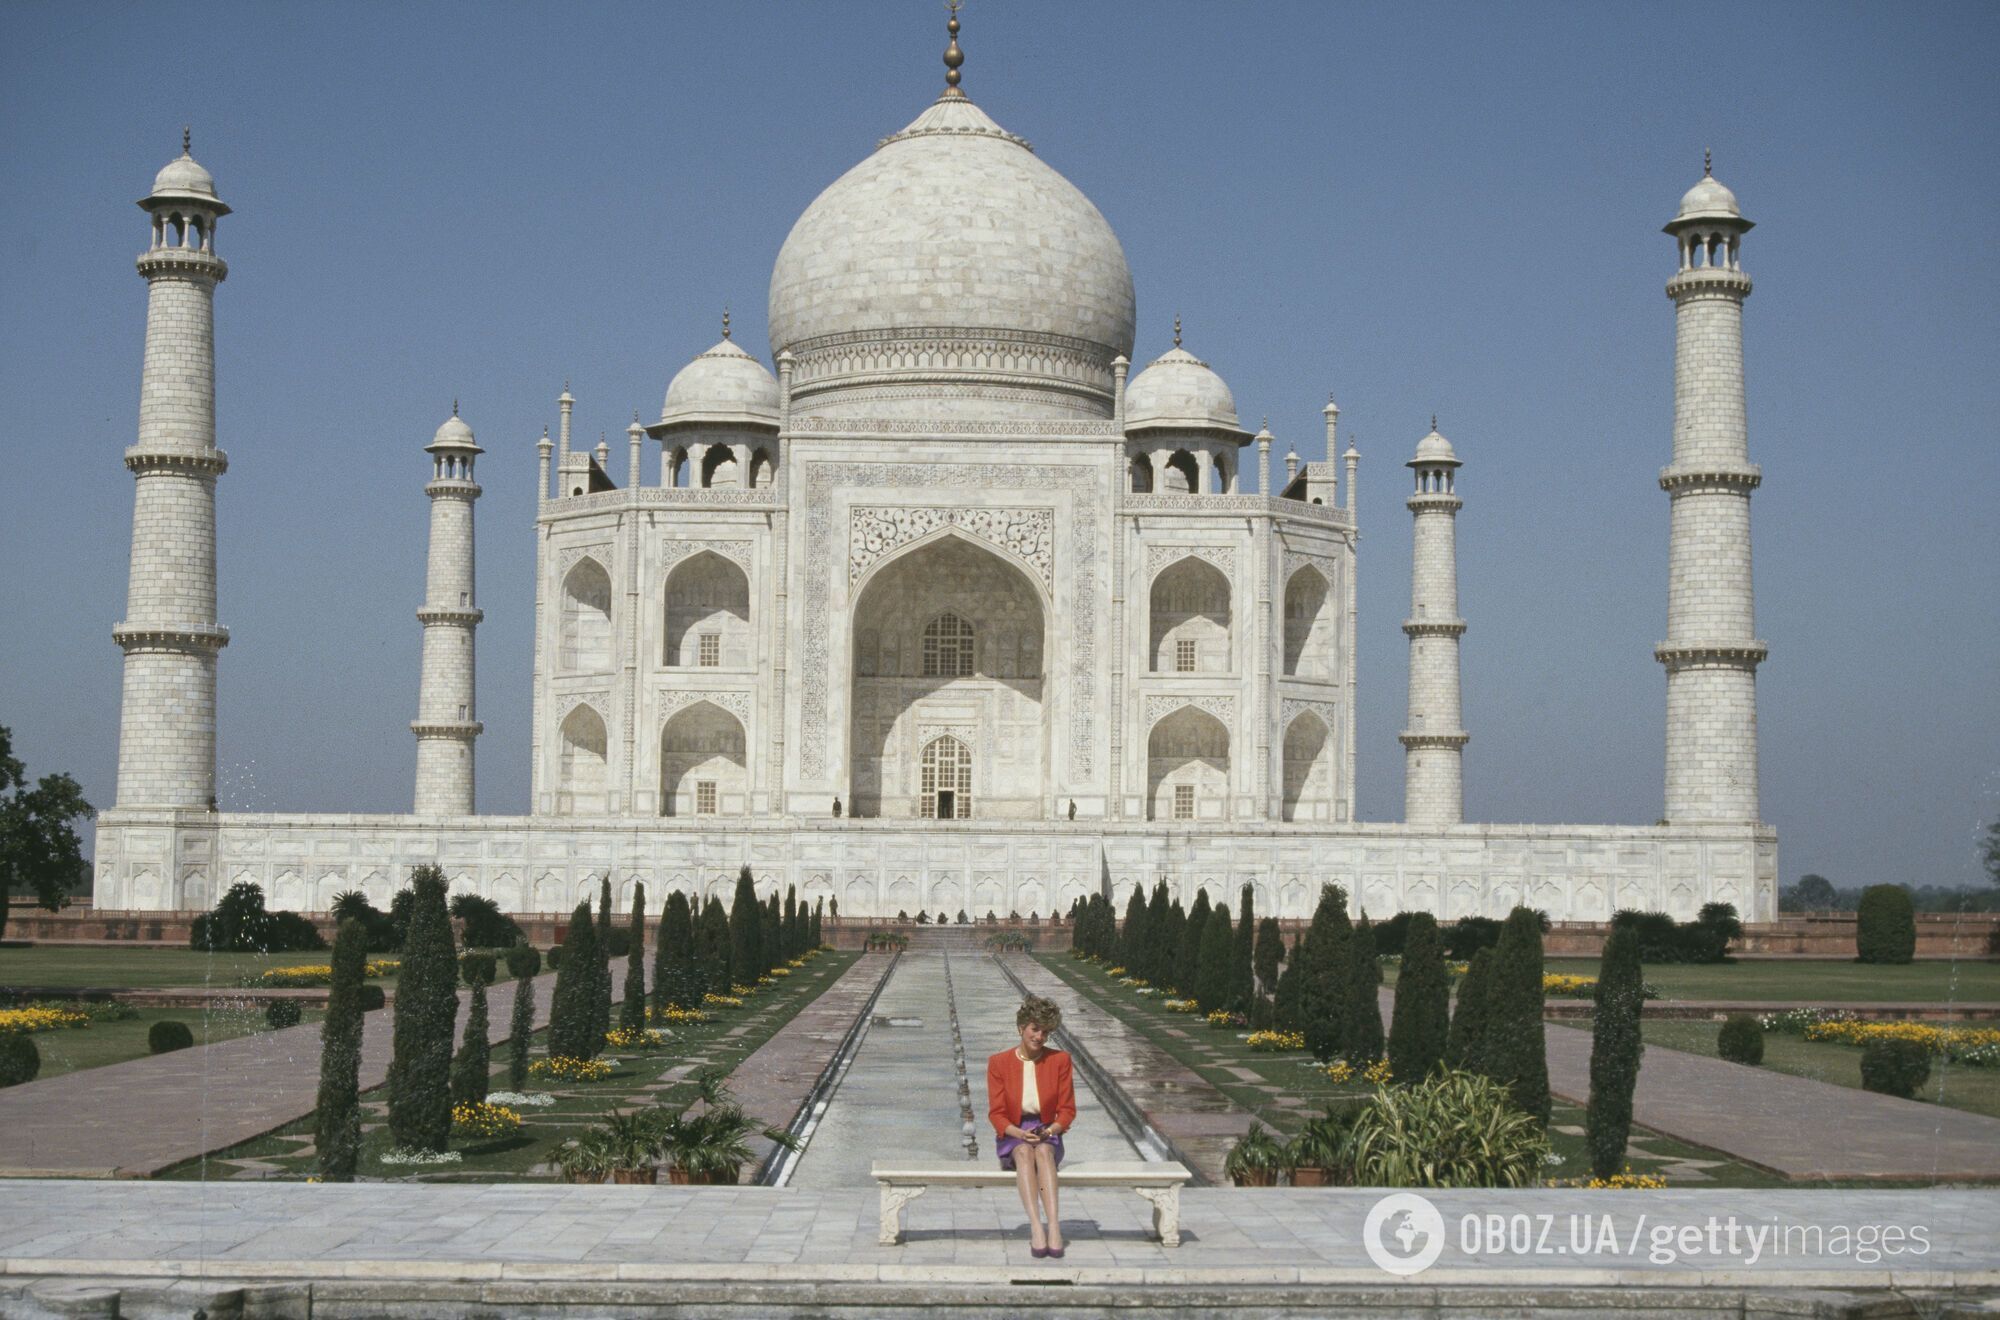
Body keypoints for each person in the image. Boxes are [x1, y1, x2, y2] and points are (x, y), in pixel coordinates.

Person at [987, 994, 1078, 1257]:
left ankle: (1055, 1227)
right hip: (1013, 1131)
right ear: (1021, 1028)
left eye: (1045, 1032)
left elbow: (1068, 1111)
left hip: (1048, 1129)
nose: (1039, 1037)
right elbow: (997, 1114)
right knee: (1025, 1152)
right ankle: (1037, 1228)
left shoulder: (1060, 1060)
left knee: (1044, 1151)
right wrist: (1018, 1133)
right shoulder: (999, 1062)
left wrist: (1049, 1131)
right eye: (1034, 1029)